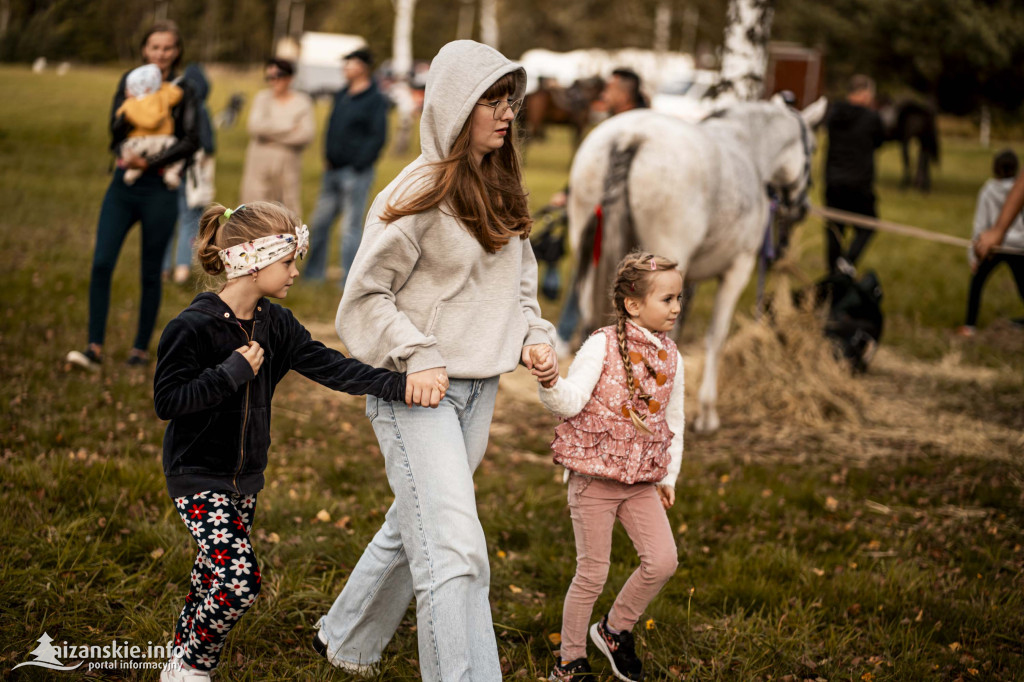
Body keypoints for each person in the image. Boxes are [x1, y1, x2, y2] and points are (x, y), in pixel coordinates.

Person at [313, 40, 558, 681]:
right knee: (455, 549)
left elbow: (521, 284)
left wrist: (532, 332)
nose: (506, 114)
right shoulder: (416, 192)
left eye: (510, 101)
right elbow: (363, 299)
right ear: (455, 107)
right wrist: (417, 352)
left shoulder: (501, 186)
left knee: (414, 519)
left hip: (479, 390)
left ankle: (345, 639)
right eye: (490, 101)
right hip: (415, 391)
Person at [154, 201, 417, 681]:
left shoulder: (275, 325)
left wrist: (398, 385)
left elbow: (331, 366)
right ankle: (191, 666)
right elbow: (168, 401)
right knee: (239, 580)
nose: (296, 272)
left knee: (212, 573)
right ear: (252, 262)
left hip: (245, 480)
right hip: (195, 476)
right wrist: (230, 373)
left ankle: (179, 652)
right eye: (287, 261)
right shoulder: (191, 327)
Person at [537, 251, 683, 682]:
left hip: (641, 482)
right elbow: (570, 401)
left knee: (663, 560)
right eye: (668, 299)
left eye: (679, 298)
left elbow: (673, 419)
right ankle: (569, 661)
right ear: (633, 305)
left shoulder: (672, 356)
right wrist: (550, 382)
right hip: (594, 481)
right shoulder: (601, 344)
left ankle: (615, 629)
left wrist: (668, 475)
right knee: (592, 572)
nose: (676, 307)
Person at [66, 20, 199, 371]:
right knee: (101, 262)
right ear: (145, 49)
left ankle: (140, 350)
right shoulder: (131, 82)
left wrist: (151, 160)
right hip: (123, 187)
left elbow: (191, 139)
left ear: (177, 51)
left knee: (151, 272)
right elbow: (114, 133)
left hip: (160, 189)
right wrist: (130, 109)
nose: (161, 54)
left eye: (168, 48)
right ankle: (93, 347)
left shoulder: (184, 88)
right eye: (155, 47)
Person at [553, 68, 648, 356]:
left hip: (615, 216)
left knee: (590, 269)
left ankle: (573, 333)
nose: (604, 95)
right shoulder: (620, 123)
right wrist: (569, 192)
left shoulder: (633, 126)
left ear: (624, 92)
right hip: (602, 210)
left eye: (609, 89)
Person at [304, 48, 389, 285]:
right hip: (332, 170)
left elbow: (378, 137)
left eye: (349, 64)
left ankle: (348, 281)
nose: (345, 68)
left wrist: (359, 164)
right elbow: (332, 127)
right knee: (319, 224)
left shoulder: (375, 99)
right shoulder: (341, 93)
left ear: (362, 67)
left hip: (356, 173)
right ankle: (312, 276)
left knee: (349, 229)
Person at [823, 74, 885, 274]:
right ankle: (846, 264)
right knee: (868, 225)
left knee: (834, 231)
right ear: (865, 93)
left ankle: (834, 273)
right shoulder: (871, 118)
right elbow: (880, 140)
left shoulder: (834, 114)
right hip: (859, 186)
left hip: (833, 183)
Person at [957, 149, 1024, 336]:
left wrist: (974, 255)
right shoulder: (1019, 188)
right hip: (1018, 246)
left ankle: (969, 326)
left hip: (993, 246)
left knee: (976, 284)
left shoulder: (988, 190)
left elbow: (980, 224)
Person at [238, 58, 315, 217]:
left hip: (287, 170)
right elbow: (255, 127)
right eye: (269, 77)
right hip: (259, 167)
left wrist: (270, 135)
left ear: (290, 77)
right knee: (253, 212)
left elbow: (306, 134)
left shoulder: (302, 102)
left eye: (278, 75)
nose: (273, 81)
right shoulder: (262, 98)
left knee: (287, 213)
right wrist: (289, 127)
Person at [164, 62, 216, 284]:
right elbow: (208, 145)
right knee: (190, 220)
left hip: (169, 170)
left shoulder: (171, 106)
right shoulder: (201, 109)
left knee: (169, 221)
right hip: (192, 174)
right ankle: (182, 270)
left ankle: (163, 269)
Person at [116, 63, 185, 188]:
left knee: (127, 151)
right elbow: (177, 94)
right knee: (178, 155)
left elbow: (119, 118)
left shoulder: (130, 103)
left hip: (140, 142)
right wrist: (161, 85)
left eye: (129, 88)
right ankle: (172, 173)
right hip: (165, 141)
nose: (126, 91)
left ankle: (134, 169)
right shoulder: (162, 94)